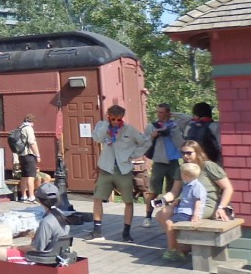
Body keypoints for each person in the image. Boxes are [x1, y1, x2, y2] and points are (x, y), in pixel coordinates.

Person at [154, 140, 234, 260]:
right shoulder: (183, 168)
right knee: (162, 214)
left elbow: (228, 188)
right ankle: (180, 248)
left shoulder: (208, 166)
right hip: (187, 202)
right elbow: (174, 192)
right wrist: (163, 200)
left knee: (174, 219)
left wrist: (222, 207)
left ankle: (179, 248)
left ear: (197, 152)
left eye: (189, 153)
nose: (185, 156)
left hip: (206, 203)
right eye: (182, 153)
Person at [87, 105, 150, 243]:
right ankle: (97, 230)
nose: (116, 122)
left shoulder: (129, 129)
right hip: (106, 167)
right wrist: (105, 123)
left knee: (128, 201)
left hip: (123, 169)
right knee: (98, 198)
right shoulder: (102, 125)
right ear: (108, 116)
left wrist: (132, 154)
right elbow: (97, 138)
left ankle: (126, 232)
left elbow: (145, 142)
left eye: (118, 119)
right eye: (113, 118)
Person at [0, 182, 71, 264]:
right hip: (56, 255)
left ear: (39, 200)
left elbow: (36, 249)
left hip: (41, 259)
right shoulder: (62, 215)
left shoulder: (47, 221)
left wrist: (15, 248)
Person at [142, 103, 183, 227]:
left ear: (167, 113)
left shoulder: (175, 126)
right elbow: (144, 143)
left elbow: (181, 139)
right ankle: (148, 217)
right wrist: (152, 136)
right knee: (154, 191)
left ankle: (169, 215)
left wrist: (174, 118)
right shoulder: (151, 126)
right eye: (157, 112)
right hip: (159, 161)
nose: (158, 114)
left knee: (172, 191)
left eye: (161, 112)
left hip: (174, 161)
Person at [157, 162, 207, 262]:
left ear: (186, 175)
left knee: (169, 223)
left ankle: (173, 250)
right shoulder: (187, 184)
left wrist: (196, 215)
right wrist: (178, 200)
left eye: (182, 174)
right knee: (164, 217)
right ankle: (176, 247)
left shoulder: (197, 186)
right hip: (183, 210)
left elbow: (198, 201)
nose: (180, 175)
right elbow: (188, 198)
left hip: (188, 213)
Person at [16, 114, 40, 203]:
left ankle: (23, 196)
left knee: (24, 176)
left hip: (21, 155)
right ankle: (32, 197)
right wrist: (37, 155)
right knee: (31, 176)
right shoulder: (29, 128)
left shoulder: (21, 127)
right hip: (29, 154)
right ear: (32, 121)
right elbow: (31, 142)